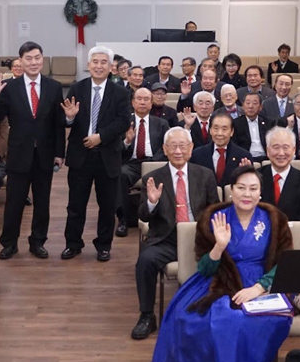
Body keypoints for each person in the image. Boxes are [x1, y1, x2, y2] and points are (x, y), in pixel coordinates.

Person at [151, 164, 294, 362]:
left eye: (253, 189)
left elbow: (286, 261)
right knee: (207, 319)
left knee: (257, 320)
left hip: (259, 284)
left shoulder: (275, 218)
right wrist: (219, 246)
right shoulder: (213, 217)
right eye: (241, 188)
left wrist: (259, 288)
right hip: (219, 280)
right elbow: (205, 268)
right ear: (231, 190)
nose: (247, 194)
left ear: (261, 193)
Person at [132, 127, 219, 340]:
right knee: (145, 261)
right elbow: (143, 216)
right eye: (173, 146)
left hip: (199, 238)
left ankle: (214, 311)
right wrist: (152, 202)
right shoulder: (153, 178)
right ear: (165, 149)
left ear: (191, 148)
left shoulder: (205, 175)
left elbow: (215, 210)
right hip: (167, 238)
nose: (178, 151)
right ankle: (146, 315)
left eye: (182, 146)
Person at [0, 41, 67, 260]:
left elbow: (58, 124)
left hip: (45, 154)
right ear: (20, 61)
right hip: (18, 153)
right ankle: (9, 243)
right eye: (28, 58)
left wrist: (60, 153)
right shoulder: (9, 87)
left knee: (42, 203)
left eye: (37, 58)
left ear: (43, 59)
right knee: (14, 202)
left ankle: (38, 242)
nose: (33, 62)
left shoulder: (54, 87)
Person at [61, 46, 132, 262]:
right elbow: (66, 119)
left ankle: (103, 245)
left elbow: (123, 122)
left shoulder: (121, 92)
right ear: (88, 65)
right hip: (80, 155)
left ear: (111, 67)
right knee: (75, 205)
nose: (99, 66)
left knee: (107, 205)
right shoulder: (77, 88)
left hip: (107, 155)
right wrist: (70, 118)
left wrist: (100, 137)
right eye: (95, 62)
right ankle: (73, 244)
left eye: (103, 62)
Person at [117, 87, 170, 236]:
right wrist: (127, 142)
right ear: (133, 103)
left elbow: (166, 147)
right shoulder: (124, 123)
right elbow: (116, 149)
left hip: (155, 162)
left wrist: (153, 162)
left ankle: (162, 217)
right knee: (121, 175)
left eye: (146, 99)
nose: (142, 102)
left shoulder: (161, 123)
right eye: (139, 99)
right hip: (132, 163)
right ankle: (123, 219)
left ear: (151, 103)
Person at [259, 126, 300, 220]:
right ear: (267, 151)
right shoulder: (256, 177)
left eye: (285, 147)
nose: (281, 153)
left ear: (293, 150)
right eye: (276, 147)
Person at [192, 111, 252, 187]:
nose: (219, 133)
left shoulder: (244, 156)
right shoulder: (197, 155)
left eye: (224, 129)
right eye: (216, 128)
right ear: (210, 130)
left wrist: (247, 174)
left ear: (232, 132)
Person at [232, 91, 272, 163]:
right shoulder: (236, 124)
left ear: (260, 107)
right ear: (243, 106)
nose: (250, 106)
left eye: (255, 103)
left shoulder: (268, 123)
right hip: (246, 158)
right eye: (247, 103)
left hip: (266, 158)